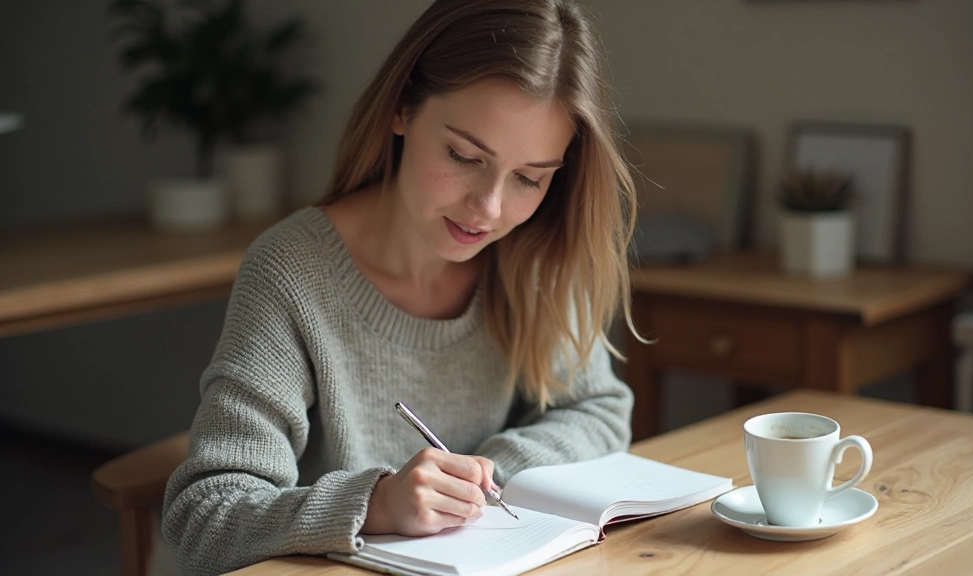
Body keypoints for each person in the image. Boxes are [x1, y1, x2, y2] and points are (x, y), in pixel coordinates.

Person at [161, 0, 641, 574]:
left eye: (528, 178)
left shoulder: (534, 255)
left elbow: (601, 411)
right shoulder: (291, 272)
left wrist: (485, 471)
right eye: (464, 156)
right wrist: (374, 503)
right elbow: (204, 516)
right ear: (401, 108)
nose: (487, 208)